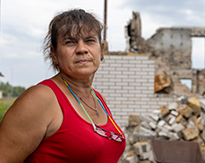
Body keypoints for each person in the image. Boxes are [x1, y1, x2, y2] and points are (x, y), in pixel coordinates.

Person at [0, 9, 126, 163]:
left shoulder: (99, 99)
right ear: (54, 53)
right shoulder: (41, 99)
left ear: (101, 51)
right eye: (70, 42)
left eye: (89, 40)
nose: (82, 49)